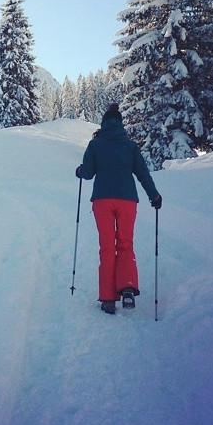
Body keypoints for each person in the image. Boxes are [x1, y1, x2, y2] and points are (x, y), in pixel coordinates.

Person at [76, 103, 162, 315]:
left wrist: (79, 171)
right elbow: (143, 174)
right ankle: (127, 287)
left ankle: (107, 299)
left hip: (102, 201)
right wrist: (154, 195)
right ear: (121, 124)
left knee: (107, 247)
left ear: (104, 123)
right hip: (127, 201)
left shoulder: (95, 144)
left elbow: (87, 173)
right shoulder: (130, 146)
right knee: (125, 244)